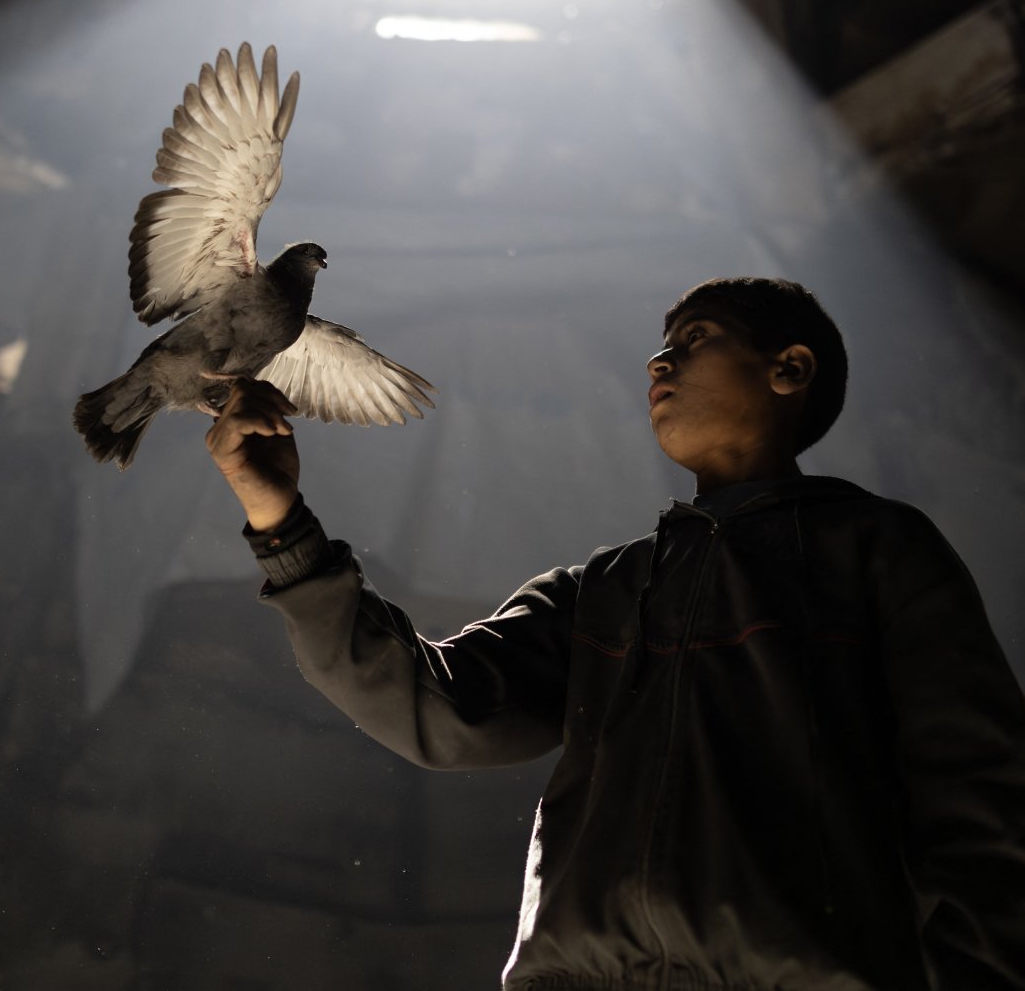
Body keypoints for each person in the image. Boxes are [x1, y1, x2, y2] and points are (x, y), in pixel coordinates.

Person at [205, 276, 1025, 990]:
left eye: (695, 338)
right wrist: (280, 522)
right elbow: (435, 712)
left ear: (789, 368)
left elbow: (980, 797)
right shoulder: (602, 592)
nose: (658, 362)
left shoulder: (876, 550)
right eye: (661, 345)